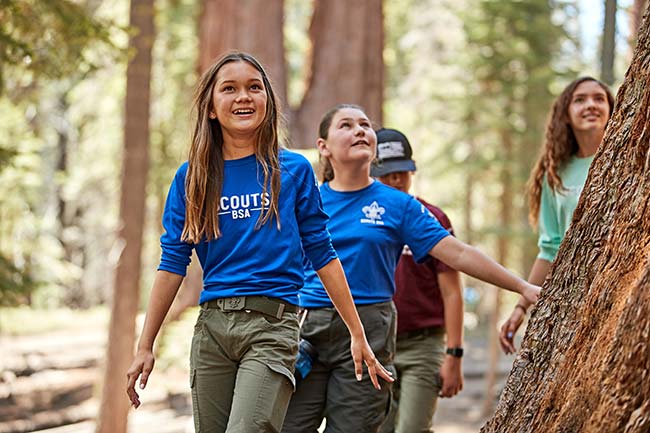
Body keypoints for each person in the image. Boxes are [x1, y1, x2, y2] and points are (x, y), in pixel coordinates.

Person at [124, 52, 392, 433]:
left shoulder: (293, 170)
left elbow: (322, 252)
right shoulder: (191, 178)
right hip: (212, 329)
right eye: (229, 89)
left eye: (254, 87)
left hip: (273, 327)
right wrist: (144, 345)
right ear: (212, 108)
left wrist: (357, 331)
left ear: (268, 100)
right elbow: (172, 264)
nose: (244, 97)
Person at [282, 104, 540, 433]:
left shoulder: (399, 205)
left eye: (365, 124)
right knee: (289, 425)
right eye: (346, 125)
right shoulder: (307, 200)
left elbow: (457, 253)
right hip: (309, 327)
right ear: (323, 146)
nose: (360, 130)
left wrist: (522, 287)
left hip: (371, 326)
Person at [499, 76, 614, 354]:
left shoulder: (629, 158)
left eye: (599, 99)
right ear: (565, 114)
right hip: (576, 294)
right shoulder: (555, 175)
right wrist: (520, 307)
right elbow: (550, 247)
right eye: (580, 99)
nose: (591, 105)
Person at [371, 128, 464, 433]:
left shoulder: (432, 218)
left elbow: (451, 292)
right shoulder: (362, 221)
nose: (396, 180)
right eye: (387, 174)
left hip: (423, 345)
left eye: (402, 172)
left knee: (412, 427)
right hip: (377, 344)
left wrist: (454, 354)